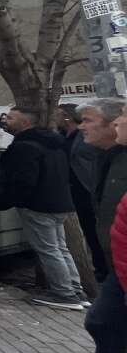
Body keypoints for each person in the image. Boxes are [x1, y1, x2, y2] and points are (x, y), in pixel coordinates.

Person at [0, 107, 86, 310]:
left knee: (49, 249)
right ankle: (76, 290)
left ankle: (65, 294)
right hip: (60, 202)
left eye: (11, 117)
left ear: (25, 122)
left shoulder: (25, 147)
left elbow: (24, 180)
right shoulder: (52, 142)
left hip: (38, 205)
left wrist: (14, 199)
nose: (6, 120)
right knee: (60, 248)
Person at [74, 98, 127, 353]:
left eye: (89, 120)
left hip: (122, 261)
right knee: (101, 320)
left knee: (103, 319)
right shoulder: (105, 155)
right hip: (116, 260)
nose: (82, 126)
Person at [60, 103, 110, 283]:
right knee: (90, 232)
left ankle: (105, 269)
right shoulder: (64, 135)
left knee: (97, 232)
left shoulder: (85, 137)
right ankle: (101, 268)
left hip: (88, 188)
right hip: (74, 190)